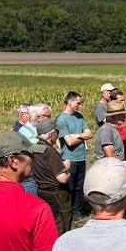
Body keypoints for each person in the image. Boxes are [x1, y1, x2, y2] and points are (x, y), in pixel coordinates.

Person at [55, 91, 92, 220]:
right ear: (69, 102)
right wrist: (82, 136)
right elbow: (69, 142)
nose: (79, 106)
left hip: (81, 157)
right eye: (77, 103)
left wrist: (77, 135)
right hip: (69, 158)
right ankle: (67, 211)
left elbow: (89, 133)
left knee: (79, 186)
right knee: (69, 186)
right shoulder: (60, 120)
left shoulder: (80, 117)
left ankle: (76, 212)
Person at [32, 119, 72, 234]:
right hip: (57, 195)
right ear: (51, 134)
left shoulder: (34, 148)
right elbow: (62, 178)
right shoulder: (50, 152)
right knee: (61, 225)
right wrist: (67, 168)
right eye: (57, 132)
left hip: (41, 191)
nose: (58, 135)